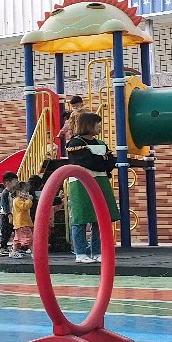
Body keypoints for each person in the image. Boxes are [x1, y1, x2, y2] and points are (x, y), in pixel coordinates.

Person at [66, 111, 118, 263]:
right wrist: (102, 161)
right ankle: (80, 253)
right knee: (80, 218)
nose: (100, 126)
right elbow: (87, 162)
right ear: (88, 125)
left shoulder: (101, 143)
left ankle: (97, 252)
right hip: (80, 183)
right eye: (97, 123)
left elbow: (110, 163)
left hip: (101, 181)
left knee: (99, 218)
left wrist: (100, 161)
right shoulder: (75, 143)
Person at [10, 179, 36, 257]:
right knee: (29, 238)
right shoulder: (17, 200)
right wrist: (29, 200)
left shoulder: (19, 200)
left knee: (18, 239)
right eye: (25, 191)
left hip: (20, 223)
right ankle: (34, 252)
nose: (27, 193)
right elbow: (25, 206)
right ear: (18, 192)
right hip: (22, 223)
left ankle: (14, 251)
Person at [0, 171, 20, 252]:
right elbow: (5, 206)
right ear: (8, 182)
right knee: (6, 232)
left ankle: (17, 247)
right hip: (6, 215)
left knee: (16, 232)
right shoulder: (5, 193)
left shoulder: (14, 192)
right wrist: (9, 215)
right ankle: (3, 247)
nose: (17, 183)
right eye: (15, 182)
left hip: (14, 215)